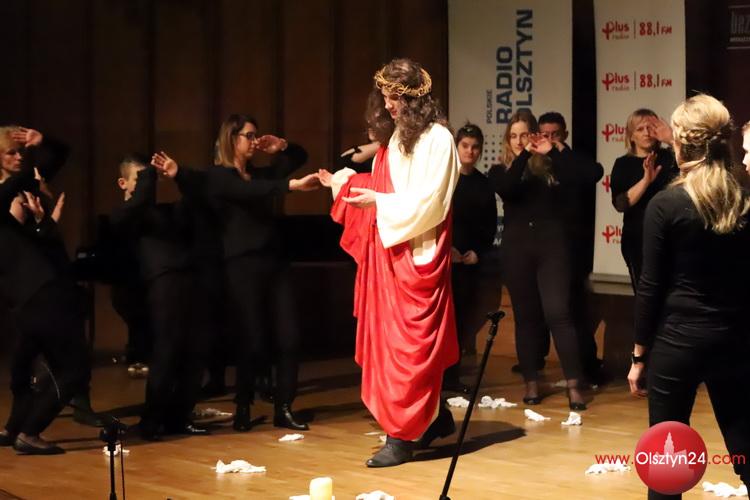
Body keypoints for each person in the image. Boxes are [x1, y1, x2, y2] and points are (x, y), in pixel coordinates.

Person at [319, 58, 460, 467]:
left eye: (395, 97)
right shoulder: (395, 139)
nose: (388, 105)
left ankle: (400, 437)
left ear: (415, 99)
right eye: (384, 96)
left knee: (409, 350)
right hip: (389, 255)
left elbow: (431, 202)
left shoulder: (438, 140)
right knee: (388, 346)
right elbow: (383, 184)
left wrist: (378, 202)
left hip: (418, 255)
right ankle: (434, 418)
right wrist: (345, 183)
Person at [151, 115, 320, 432]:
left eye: (256, 135)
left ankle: (284, 408)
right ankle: (243, 406)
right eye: (248, 136)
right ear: (232, 139)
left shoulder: (261, 174)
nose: (254, 141)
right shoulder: (219, 177)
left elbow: (298, 157)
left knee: (289, 336)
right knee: (251, 340)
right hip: (240, 266)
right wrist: (291, 186)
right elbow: (245, 191)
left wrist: (281, 146)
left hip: (274, 263)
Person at [627, 94, 750, 500]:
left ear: (680, 143)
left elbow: (650, 286)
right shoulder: (744, 198)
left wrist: (639, 355)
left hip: (677, 342)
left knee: (667, 465)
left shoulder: (666, 204)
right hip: (735, 340)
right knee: (745, 445)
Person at [488, 110, 586, 411]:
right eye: (513, 136)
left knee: (558, 313)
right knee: (526, 318)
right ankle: (531, 383)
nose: (519, 141)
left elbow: (585, 176)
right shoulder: (500, 169)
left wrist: (552, 151)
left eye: (524, 135)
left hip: (551, 247)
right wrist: (523, 157)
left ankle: (574, 385)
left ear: (534, 136)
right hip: (517, 250)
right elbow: (508, 188)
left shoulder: (550, 167)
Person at [0, 126, 90, 454]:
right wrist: (35, 181)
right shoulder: (11, 190)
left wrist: (43, 142)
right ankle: (29, 431)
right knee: (73, 369)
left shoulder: (21, 188)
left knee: (23, 368)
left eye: (20, 152)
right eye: (11, 152)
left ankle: (14, 428)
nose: (19, 157)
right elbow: (18, 186)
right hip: (35, 291)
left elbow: (60, 154)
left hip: (28, 293)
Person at [111, 156, 208, 440]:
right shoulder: (125, 213)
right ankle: (151, 422)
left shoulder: (162, 212)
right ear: (123, 183)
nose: (148, 184)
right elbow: (138, 203)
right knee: (166, 353)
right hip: (158, 287)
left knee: (195, 352)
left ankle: (179, 417)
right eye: (140, 178)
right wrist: (149, 176)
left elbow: (196, 202)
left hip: (185, 282)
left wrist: (177, 175)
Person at [538, 112, 606, 385]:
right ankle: (540, 361)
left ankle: (587, 367)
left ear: (564, 134)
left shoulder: (573, 159)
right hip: (543, 245)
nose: (549, 139)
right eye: (545, 134)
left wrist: (558, 152)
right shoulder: (536, 162)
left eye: (555, 134)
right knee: (550, 309)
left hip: (573, 245)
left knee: (575, 308)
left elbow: (593, 173)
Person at [443, 123, 497, 394]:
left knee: (462, 320)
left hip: (469, 263)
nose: (470, 151)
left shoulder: (484, 184)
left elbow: (489, 225)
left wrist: (477, 251)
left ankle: (452, 377)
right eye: (465, 146)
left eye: (475, 147)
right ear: (456, 147)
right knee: (443, 321)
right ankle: (437, 376)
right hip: (443, 261)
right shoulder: (445, 180)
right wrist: (447, 249)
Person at [610, 109, 677, 291]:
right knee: (645, 294)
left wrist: (672, 139)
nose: (647, 133)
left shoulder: (670, 157)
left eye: (651, 128)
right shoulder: (623, 164)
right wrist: (646, 181)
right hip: (638, 238)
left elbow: (695, 164)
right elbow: (620, 204)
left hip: (670, 236)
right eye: (640, 129)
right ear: (631, 136)